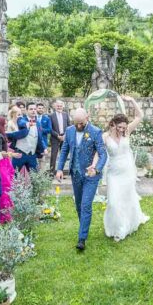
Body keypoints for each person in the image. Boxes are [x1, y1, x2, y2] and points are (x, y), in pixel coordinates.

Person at [56, 108, 107, 251]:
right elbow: (65, 150)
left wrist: (96, 169)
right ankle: (84, 227)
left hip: (91, 175)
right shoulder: (70, 130)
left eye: (81, 123)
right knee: (78, 205)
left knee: (85, 205)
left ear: (87, 117)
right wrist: (59, 169)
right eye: (76, 123)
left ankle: (82, 238)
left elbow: (103, 154)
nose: (79, 126)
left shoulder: (96, 131)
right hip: (75, 174)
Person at [101, 96, 150, 241]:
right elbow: (98, 152)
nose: (122, 129)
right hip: (113, 173)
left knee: (127, 199)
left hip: (127, 172)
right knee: (114, 202)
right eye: (119, 127)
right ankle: (114, 227)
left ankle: (124, 226)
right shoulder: (105, 136)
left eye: (124, 127)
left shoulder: (127, 131)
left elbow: (140, 116)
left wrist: (131, 100)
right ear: (113, 124)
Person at [0, 116, 21, 223]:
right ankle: (4, 215)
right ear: (1, 124)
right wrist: (11, 154)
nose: (7, 124)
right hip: (1, 163)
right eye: (5, 123)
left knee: (7, 186)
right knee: (5, 186)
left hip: (4, 162)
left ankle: (6, 213)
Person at [9, 102, 45, 172]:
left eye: (34, 109)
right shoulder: (21, 119)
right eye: (31, 109)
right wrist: (27, 124)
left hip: (32, 154)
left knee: (35, 177)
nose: (33, 111)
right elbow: (21, 123)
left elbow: (39, 137)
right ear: (26, 110)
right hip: (20, 153)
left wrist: (43, 149)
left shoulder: (38, 123)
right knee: (13, 176)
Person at [50, 100, 71, 175]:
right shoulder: (51, 115)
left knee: (64, 155)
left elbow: (69, 126)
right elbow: (50, 128)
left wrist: (65, 135)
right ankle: (52, 173)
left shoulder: (66, 115)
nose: (59, 107)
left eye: (60, 106)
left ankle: (60, 171)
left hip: (64, 137)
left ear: (63, 106)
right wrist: (57, 136)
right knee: (54, 155)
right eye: (58, 106)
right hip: (55, 137)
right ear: (55, 106)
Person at [36, 103, 51, 169]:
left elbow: (49, 129)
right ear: (36, 108)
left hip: (43, 142)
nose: (41, 109)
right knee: (34, 160)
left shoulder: (47, 118)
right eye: (39, 108)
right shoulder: (33, 117)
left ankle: (42, 177)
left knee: (42, 160)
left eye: (42, 108)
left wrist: (41, 129)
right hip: (34, 141)